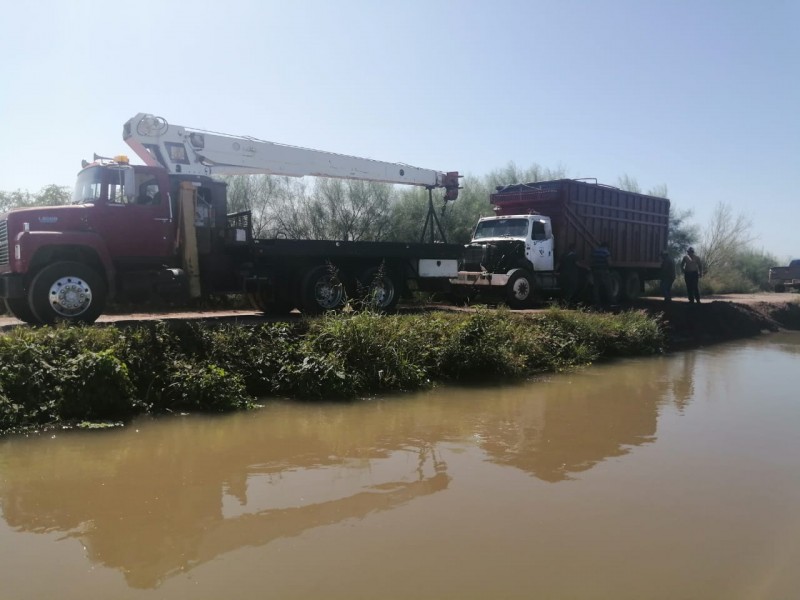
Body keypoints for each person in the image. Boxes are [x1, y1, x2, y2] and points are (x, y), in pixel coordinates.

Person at [590, 241, 612, 309]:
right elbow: (609, 262)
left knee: (596, 287)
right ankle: (611, 302)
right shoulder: (606, 252)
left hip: (595, 271)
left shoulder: (595, 251)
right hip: (604, 271)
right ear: (606, 246)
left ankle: (597, 302)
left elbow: (591, 261)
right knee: (608, 286)